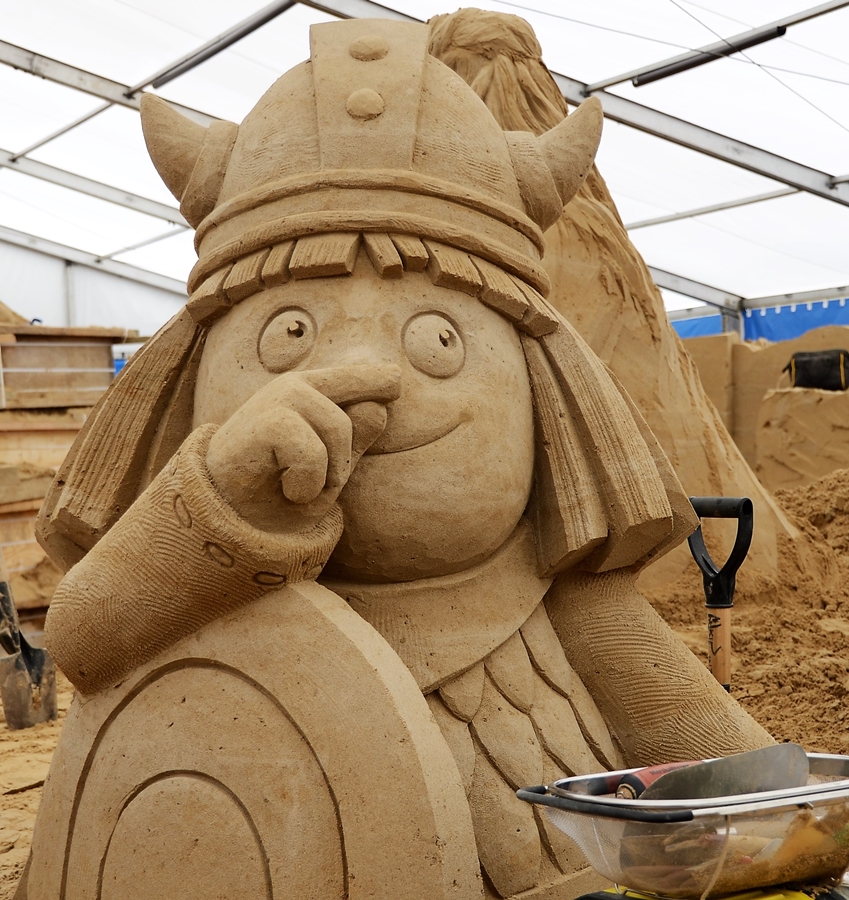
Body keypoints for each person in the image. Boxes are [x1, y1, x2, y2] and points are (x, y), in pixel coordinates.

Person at [31, 18, 771, 900]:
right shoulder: (198, 583)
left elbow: (746, 789)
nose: (364, 376)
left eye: (437, 340)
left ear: (549, 389)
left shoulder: (560, 604)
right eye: (289, 335)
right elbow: (81, 638)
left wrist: (786, 829)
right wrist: (216, 514)